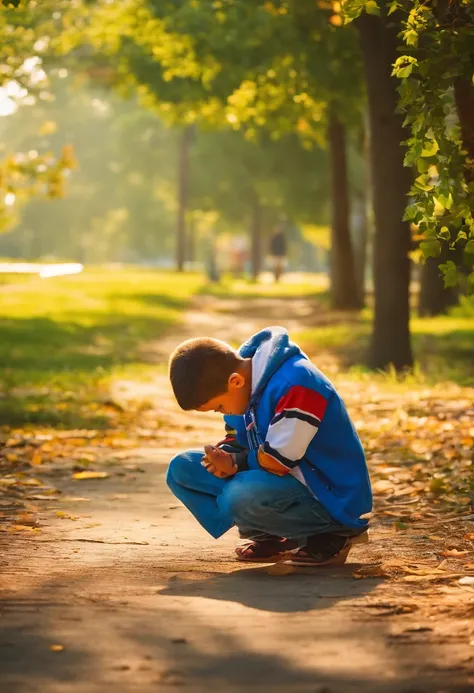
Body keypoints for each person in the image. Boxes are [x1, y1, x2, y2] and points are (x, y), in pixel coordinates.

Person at [167, 326, 372, 567]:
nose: (223, 413)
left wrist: (236, 464)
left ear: (235, 381)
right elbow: (237, 439)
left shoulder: (297, 384)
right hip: (280, 483)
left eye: (219, 407)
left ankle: (333, 533)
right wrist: (223, 459)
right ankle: (270, 535)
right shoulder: (243, 386)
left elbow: (278, 461)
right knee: (183, 468)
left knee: (240, 493)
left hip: (327, 496)